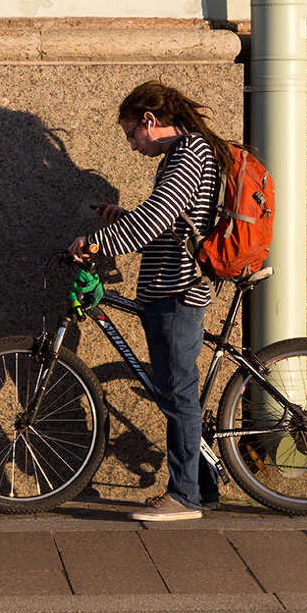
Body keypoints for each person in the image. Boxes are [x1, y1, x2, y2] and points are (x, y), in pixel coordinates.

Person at [69, 80, 234, 521]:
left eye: (130, 135)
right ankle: (202, 486)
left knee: (178, 394)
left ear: (148, 121)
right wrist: (122, 219)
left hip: (180, 292)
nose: (131, 146)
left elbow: (159, 215)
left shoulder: (189, 152)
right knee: (176, 392)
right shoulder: (186, 156)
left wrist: (98, 241)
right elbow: (170, 222)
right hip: (168, 287)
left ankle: (183, 498)